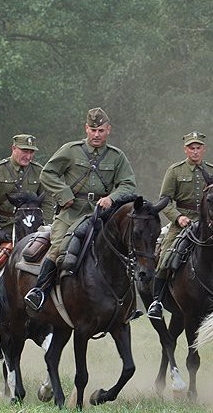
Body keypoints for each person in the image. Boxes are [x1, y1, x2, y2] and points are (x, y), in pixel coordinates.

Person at [24, 107, 137, 311]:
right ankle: (39, 291)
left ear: (108, 130)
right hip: (71, 213)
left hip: (102, 216)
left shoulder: (117, 157)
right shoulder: (71, 150)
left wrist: (112, 198)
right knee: (59, 248)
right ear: (86, 128)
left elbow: (128, 185)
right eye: (93, 130)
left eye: (101, 130)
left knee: (123, 251)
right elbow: (48, 173)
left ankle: (127, 304)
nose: (96, 134)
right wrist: (64, 194)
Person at [0, 134, 54, 334]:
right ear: (13, 148)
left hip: (33, 230)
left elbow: (48, 201)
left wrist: (46, 225)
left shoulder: (39, 172)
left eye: (31, 152)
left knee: (53, 263)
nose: (28, 155)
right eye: (24, 150)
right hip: (2, 229)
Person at [146, 131, 213, 320]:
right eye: (191, 148)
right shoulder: (175, 171)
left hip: (209, 224)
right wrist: (178, 217)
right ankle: (157, 301)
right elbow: (165, 200)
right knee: (167, 254)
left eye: (198, 148)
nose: (195, 151)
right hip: (182, 223)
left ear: (203, 149)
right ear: (185, 150)